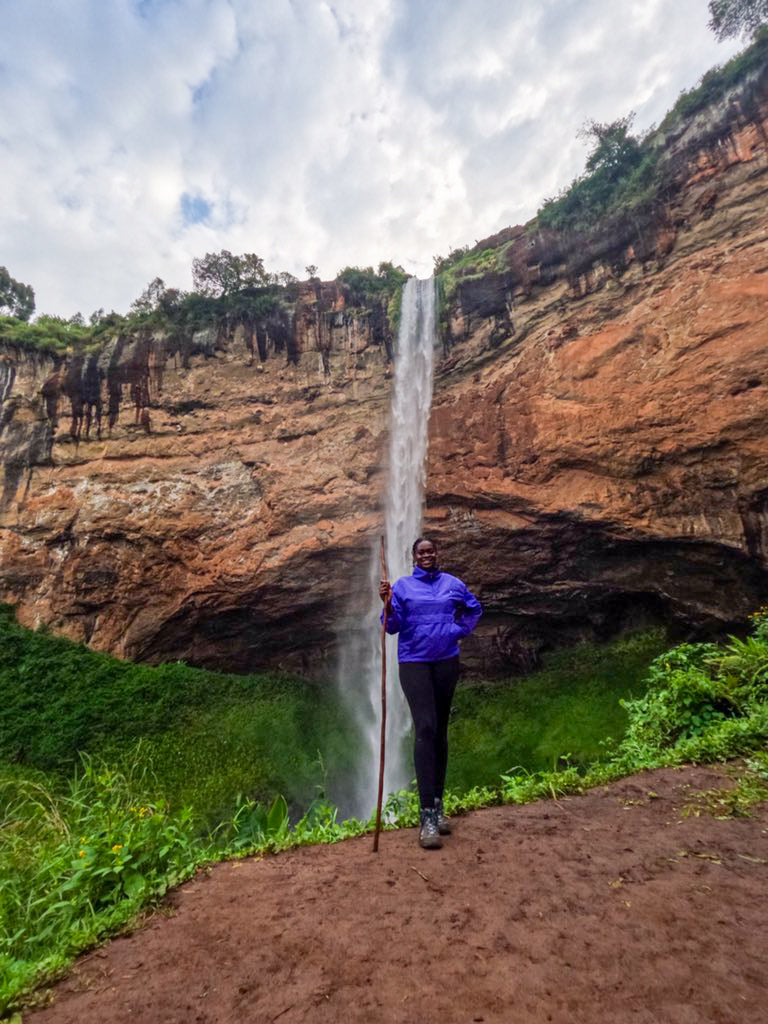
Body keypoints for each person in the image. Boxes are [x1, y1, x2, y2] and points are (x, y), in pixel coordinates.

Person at [379, 537, 482, 849]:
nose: (427, 555)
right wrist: (386, 601)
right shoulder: (403, 587)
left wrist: (457, 630)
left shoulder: (453, 584)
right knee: (425, 728)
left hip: (446, 663)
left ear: (438, 553)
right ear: (414, 557)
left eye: (431, 550)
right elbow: (391, 625)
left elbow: (474, 609)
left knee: (440, 733)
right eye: (421, 551)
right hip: (414, 664)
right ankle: (426, 816)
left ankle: (438, 807)